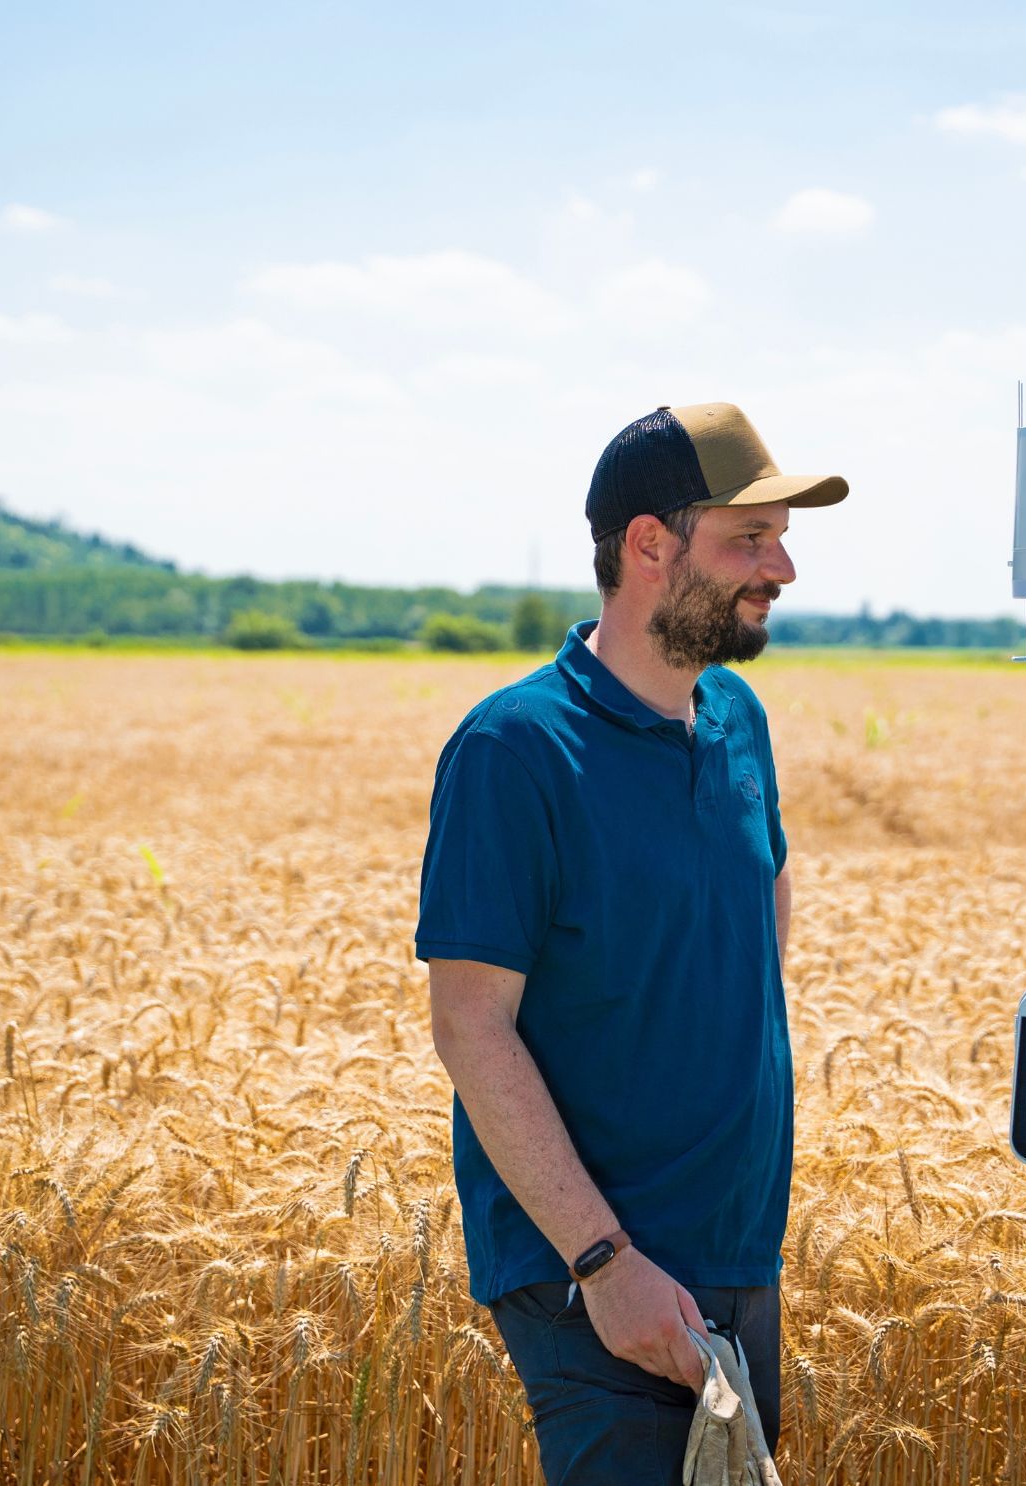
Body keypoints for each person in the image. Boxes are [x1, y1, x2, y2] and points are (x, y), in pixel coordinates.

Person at [416, 402, 847, 1484]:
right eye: (750, 537)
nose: (783, 565)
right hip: (600, 1276)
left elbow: (762, 909)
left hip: (738, 1255)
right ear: (650, 544)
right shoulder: (515, 750)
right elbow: (471, 1024)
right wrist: (605, 1262)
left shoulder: (736, 717)